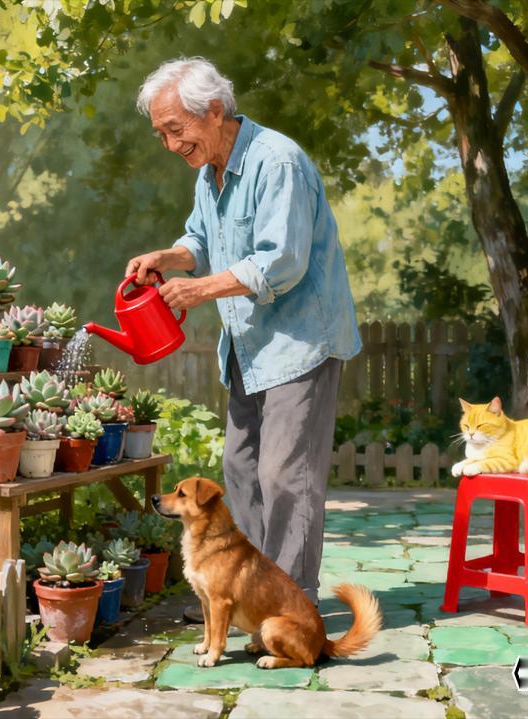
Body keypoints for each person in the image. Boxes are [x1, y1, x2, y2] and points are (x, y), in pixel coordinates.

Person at [125, 57, 361, 617]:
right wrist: (170, 256)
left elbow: (283, 261)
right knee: (239, 470)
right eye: (161, 133)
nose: (168, 143)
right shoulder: (211, 173)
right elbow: (200, 239)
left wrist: (201, 289)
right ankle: (245, 595)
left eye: (175, 130)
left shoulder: (276, 161)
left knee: (286, 478)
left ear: (213, 111)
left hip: (299, 343)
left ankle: (290, 605)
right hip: (249, 349)